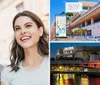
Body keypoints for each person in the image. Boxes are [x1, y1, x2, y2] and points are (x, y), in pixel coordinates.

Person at [1, 10, 49, 85]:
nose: (22, 31)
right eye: (17, 28)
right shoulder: (8, 73)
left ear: (40, 31)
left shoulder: (56, 64)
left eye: (28, 26)